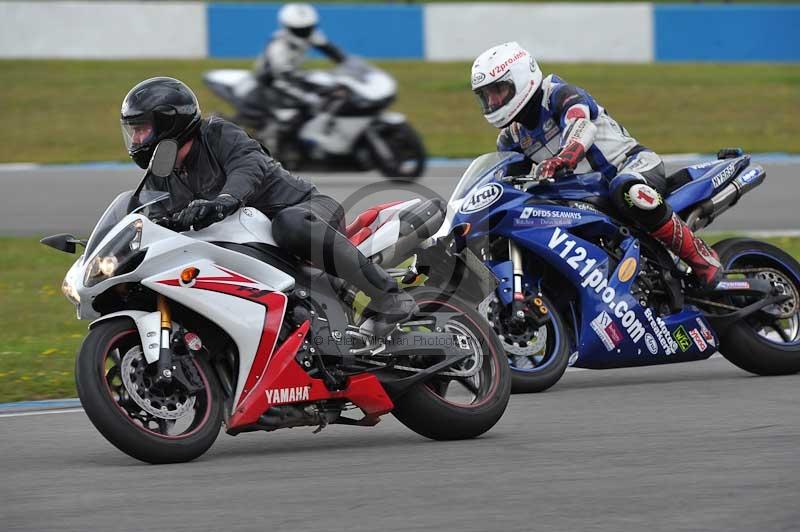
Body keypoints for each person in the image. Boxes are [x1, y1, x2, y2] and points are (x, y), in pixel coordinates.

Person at [120, 76, 416, 336]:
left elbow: (249, 165)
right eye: (132, 131)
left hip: (306, 210)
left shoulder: (217, 135)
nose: (135, 139)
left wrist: (224, 200)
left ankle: (388, 296)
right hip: (251, 245)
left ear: (169, 125)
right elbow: (150, 217)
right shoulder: (162, 178)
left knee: (289, 224)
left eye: (141, 129)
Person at [470, 42, 722, 287]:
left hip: (630, 165)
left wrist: (564, 157)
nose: (492, 102)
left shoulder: (559, 93)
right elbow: (509, 181)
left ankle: (702, 257)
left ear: (522, 77)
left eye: (498, 91)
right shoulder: (510, 137)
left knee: (627, 190)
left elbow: (581, 125)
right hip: (583, 195)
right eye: (485, 96)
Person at [240, 3, 346, 127]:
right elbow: (282, 72)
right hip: (270, 81)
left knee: (323, 98)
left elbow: (331, 50)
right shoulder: (278, 44)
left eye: (308, 28)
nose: (304, 32)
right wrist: (308, 77)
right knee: (300, 109)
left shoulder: (312, 35)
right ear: (286, 27)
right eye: (300, 30)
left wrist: (346, 62)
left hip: (292, 78)